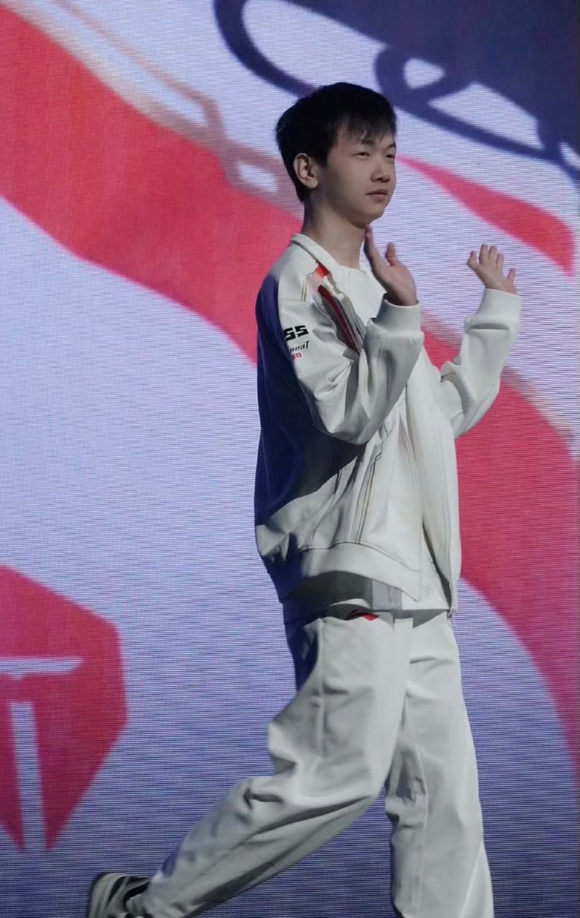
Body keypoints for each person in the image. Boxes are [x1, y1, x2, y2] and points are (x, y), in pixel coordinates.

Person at [87, 82, 521, 918]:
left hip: (417, 577)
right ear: (308, 168)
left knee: (443, 797)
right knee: (336, 774)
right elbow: (345, 414)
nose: (384, 169)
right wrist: (402, 317)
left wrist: (492, 319)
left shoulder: (375, 292)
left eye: (390, 152)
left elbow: (433, 418)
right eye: (363, 151)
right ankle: (145, 906)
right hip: (351, 569)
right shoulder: (299, 282)